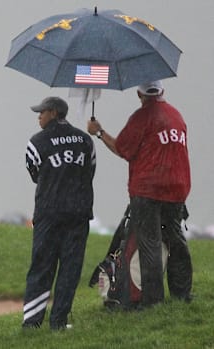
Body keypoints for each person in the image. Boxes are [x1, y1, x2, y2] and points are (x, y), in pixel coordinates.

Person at [87, 81, 192, 306]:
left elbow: (122, 148)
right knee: (176, 240)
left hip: (148, 191)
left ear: (139, 94)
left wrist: (99, 132)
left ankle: (152, 300)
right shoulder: (177, 116)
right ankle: (182, 294)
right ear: (162, 91)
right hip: (178, 189)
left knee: (150, 243)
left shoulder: (142, 117)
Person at [23, 97, 96, 330]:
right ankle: (58, 322)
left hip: (48, 213)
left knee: (42, 266)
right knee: (70, 268)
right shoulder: (85, 140)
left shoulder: (37, 142)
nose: (39, 116)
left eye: (42, 112)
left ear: (53, 113)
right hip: (79, 214)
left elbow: (34, 173)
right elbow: (90, 171)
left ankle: (32, 323)